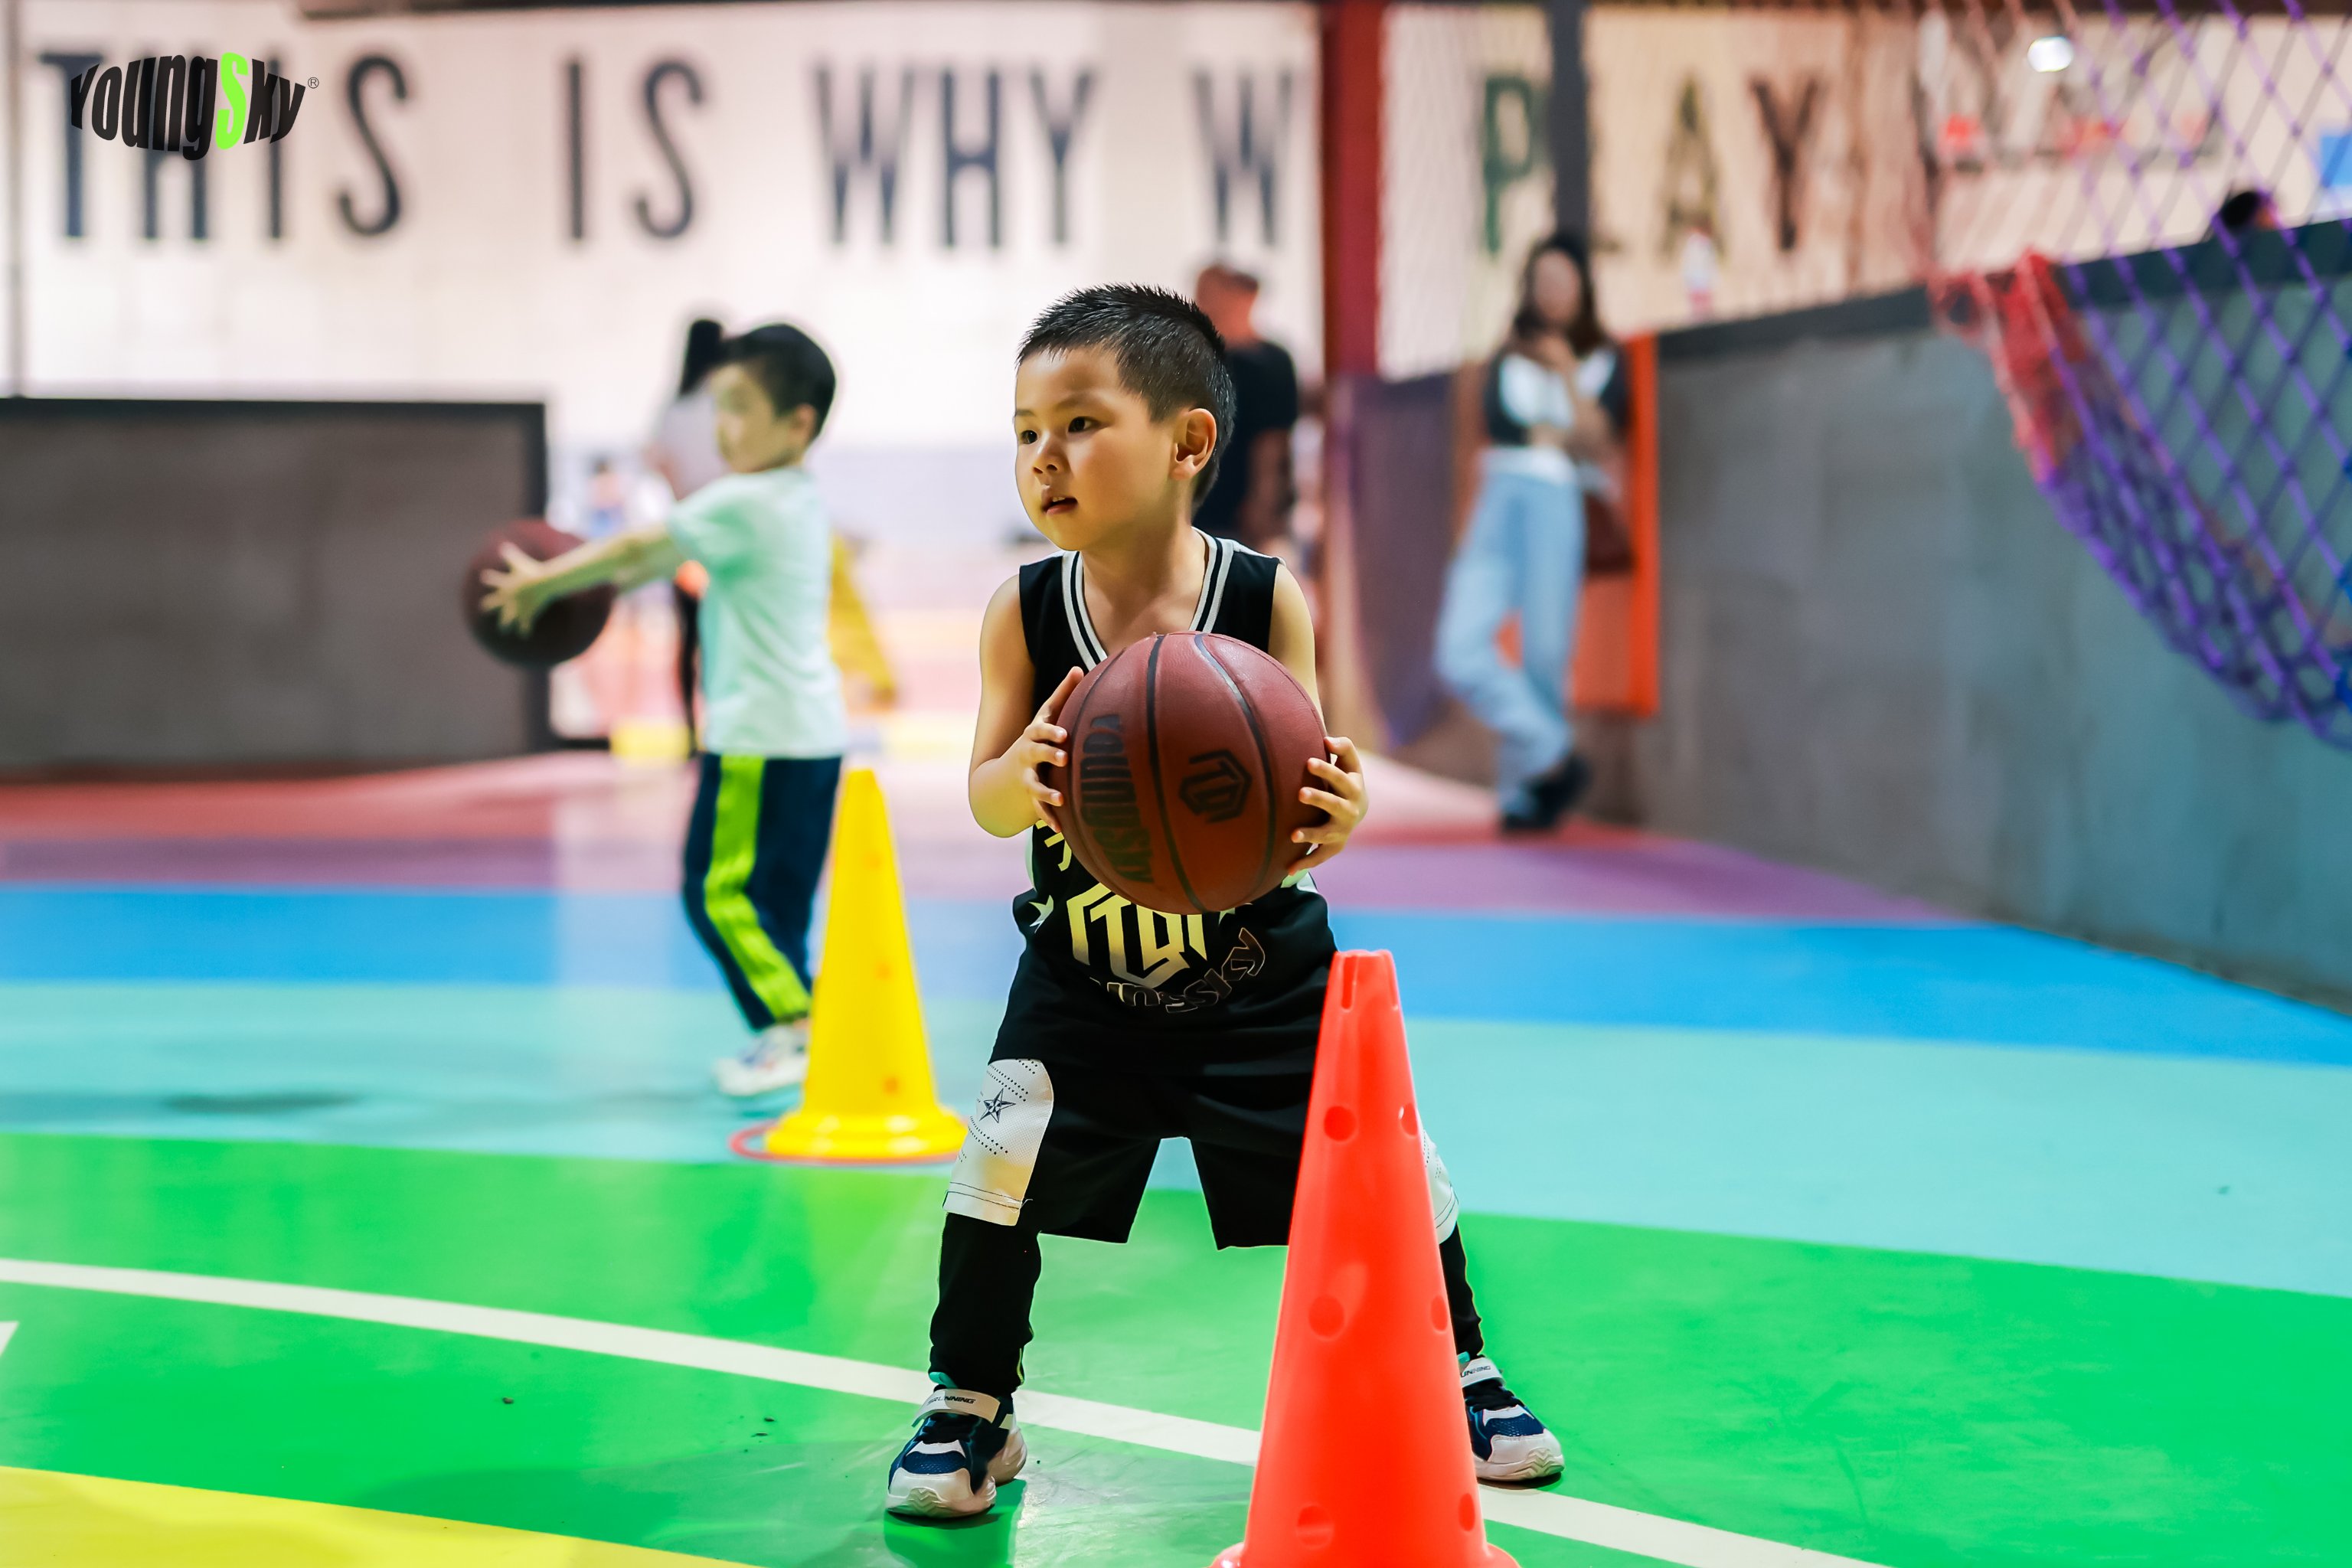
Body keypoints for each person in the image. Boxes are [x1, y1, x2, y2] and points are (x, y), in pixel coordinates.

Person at [881, 286, 1564, 1520]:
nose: (1047, 456)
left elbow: (1301, 807)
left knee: (1396, 1171)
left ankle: (1458, 1366)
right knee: (991, 1172)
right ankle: (969, 1403)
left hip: (1262, 977)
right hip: (1083, 977)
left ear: (1190, 443)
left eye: (1082, 423)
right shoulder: (1025, 610)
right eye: (1026, 430)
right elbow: (981, 797)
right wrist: (1018, 780)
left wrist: (1334, 820)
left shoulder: (1261, 599)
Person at [480, 325, 848, 1099]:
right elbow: (648, 557)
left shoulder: (747, 499)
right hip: (809, 735)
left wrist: (542, 583)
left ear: (797, 425)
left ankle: (801, 1024)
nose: (722, 427)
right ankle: (796, 1028)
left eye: (741, 408)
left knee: (715, 891)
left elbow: (633, 551)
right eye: (719, 407)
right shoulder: (794, 496)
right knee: (773, 901)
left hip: (760, 738)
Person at [1434, 232, 1625, 835]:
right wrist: (1553, 431)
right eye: (1542, 280)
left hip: (1556, 500)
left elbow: (1597, 437)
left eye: (1563, 280)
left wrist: (1566, 376)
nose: (1552, 292)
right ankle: (1554, 752)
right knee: (1459, 648)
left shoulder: (1600, 356)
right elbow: (1496, 433)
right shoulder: (1505, 356)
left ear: (1582, 287)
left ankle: (1525, 794)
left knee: (1546, 652)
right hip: (1500, 496)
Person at [645, 318, 730, 751]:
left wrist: (681, 494)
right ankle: (719, 730)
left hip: (684, 534)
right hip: (723, 536)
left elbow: (654, 459)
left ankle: (690, 735)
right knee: (725, 638)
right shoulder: (724, 406)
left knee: (689, 638)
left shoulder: (672, 408)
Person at [1190, 262, 1300, 552]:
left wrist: (1264, 500)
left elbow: (1272, 439)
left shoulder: (1269, 362)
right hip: (1199, 504)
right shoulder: (1196, 359)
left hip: (1242, 507)